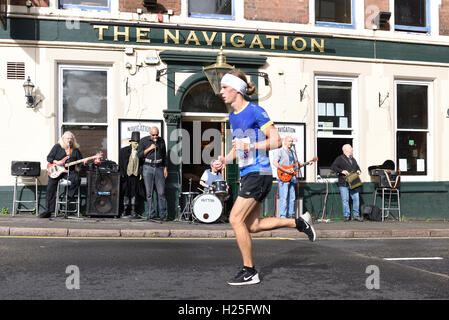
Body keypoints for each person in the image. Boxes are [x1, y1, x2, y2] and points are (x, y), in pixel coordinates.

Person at [217, 69, 316, 286]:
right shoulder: (233, 116)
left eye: (224, 87)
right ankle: (299, 222)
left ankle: (249, 270)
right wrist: (224, 160)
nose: (221, 91)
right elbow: (239, 147)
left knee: (235, 219)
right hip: (247, 174)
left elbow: (277, 140)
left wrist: (250, 145)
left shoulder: (255, 110)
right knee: (251, 226)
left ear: (237, 89)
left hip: (259, 173)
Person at [40, 131, 85, 218]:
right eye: (67, 138)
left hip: (68, 172)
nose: (69, 140)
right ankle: (48, 211)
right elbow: (49, 158)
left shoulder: (75, 150)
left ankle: (68, 195)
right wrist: (57, 162)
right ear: (63, 139)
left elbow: (80, 164)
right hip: (56, 170)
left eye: (71, 139)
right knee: (50, 188)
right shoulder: (57, 147)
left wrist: (84, 163)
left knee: (77, 179)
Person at [137, 126, 168, 221]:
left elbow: (164, 155)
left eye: (157, 135)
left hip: (159, 167)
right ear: (150, 134)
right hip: (148, 167)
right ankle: (151, 214)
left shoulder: (161, 141)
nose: (155, 137)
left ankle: (163, 215)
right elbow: (139, 155)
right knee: (149, 193)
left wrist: (165, 168)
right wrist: (149, 148)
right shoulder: (143, 141)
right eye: (153, 135)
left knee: (161, 192)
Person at [272, 136, 305, 218]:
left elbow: (296, 165)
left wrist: (305, 163)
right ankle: (283, 216)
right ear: (285, 142)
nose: (291, 143)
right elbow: (275, 163)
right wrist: (285, 170)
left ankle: (291, 215)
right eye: (289, 141)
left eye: (292, 141)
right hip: (283, 176)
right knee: (284, 197)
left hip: (292, 177)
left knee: (292, 197)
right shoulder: (280, 151)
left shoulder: (293, 153)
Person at [330, 144, 362, 221]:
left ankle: (356, 215)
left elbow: (357, 167)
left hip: (354, 182)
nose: (352, 149)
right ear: (345, 150)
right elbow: (333, 167)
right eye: (351, 148)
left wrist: (358, 170)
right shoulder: (339, 159)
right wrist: (342, 171)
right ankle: (346, 216)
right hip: (343, 183)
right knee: (345, 200)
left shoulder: (353, 159)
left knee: (356, 198)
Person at [119, 131, 144, 219]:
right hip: (126, 176)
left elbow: (142, 164)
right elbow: (121, 163)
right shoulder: (123, 151)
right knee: (126, 192)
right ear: (131, 142)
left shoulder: (140, 152)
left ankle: (133, 210)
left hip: (135, 176)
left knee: (134, 193)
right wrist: (122, 173)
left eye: (138, 143)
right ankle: (125, 210)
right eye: (135, 143)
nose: (137, 145)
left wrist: (141, 173)